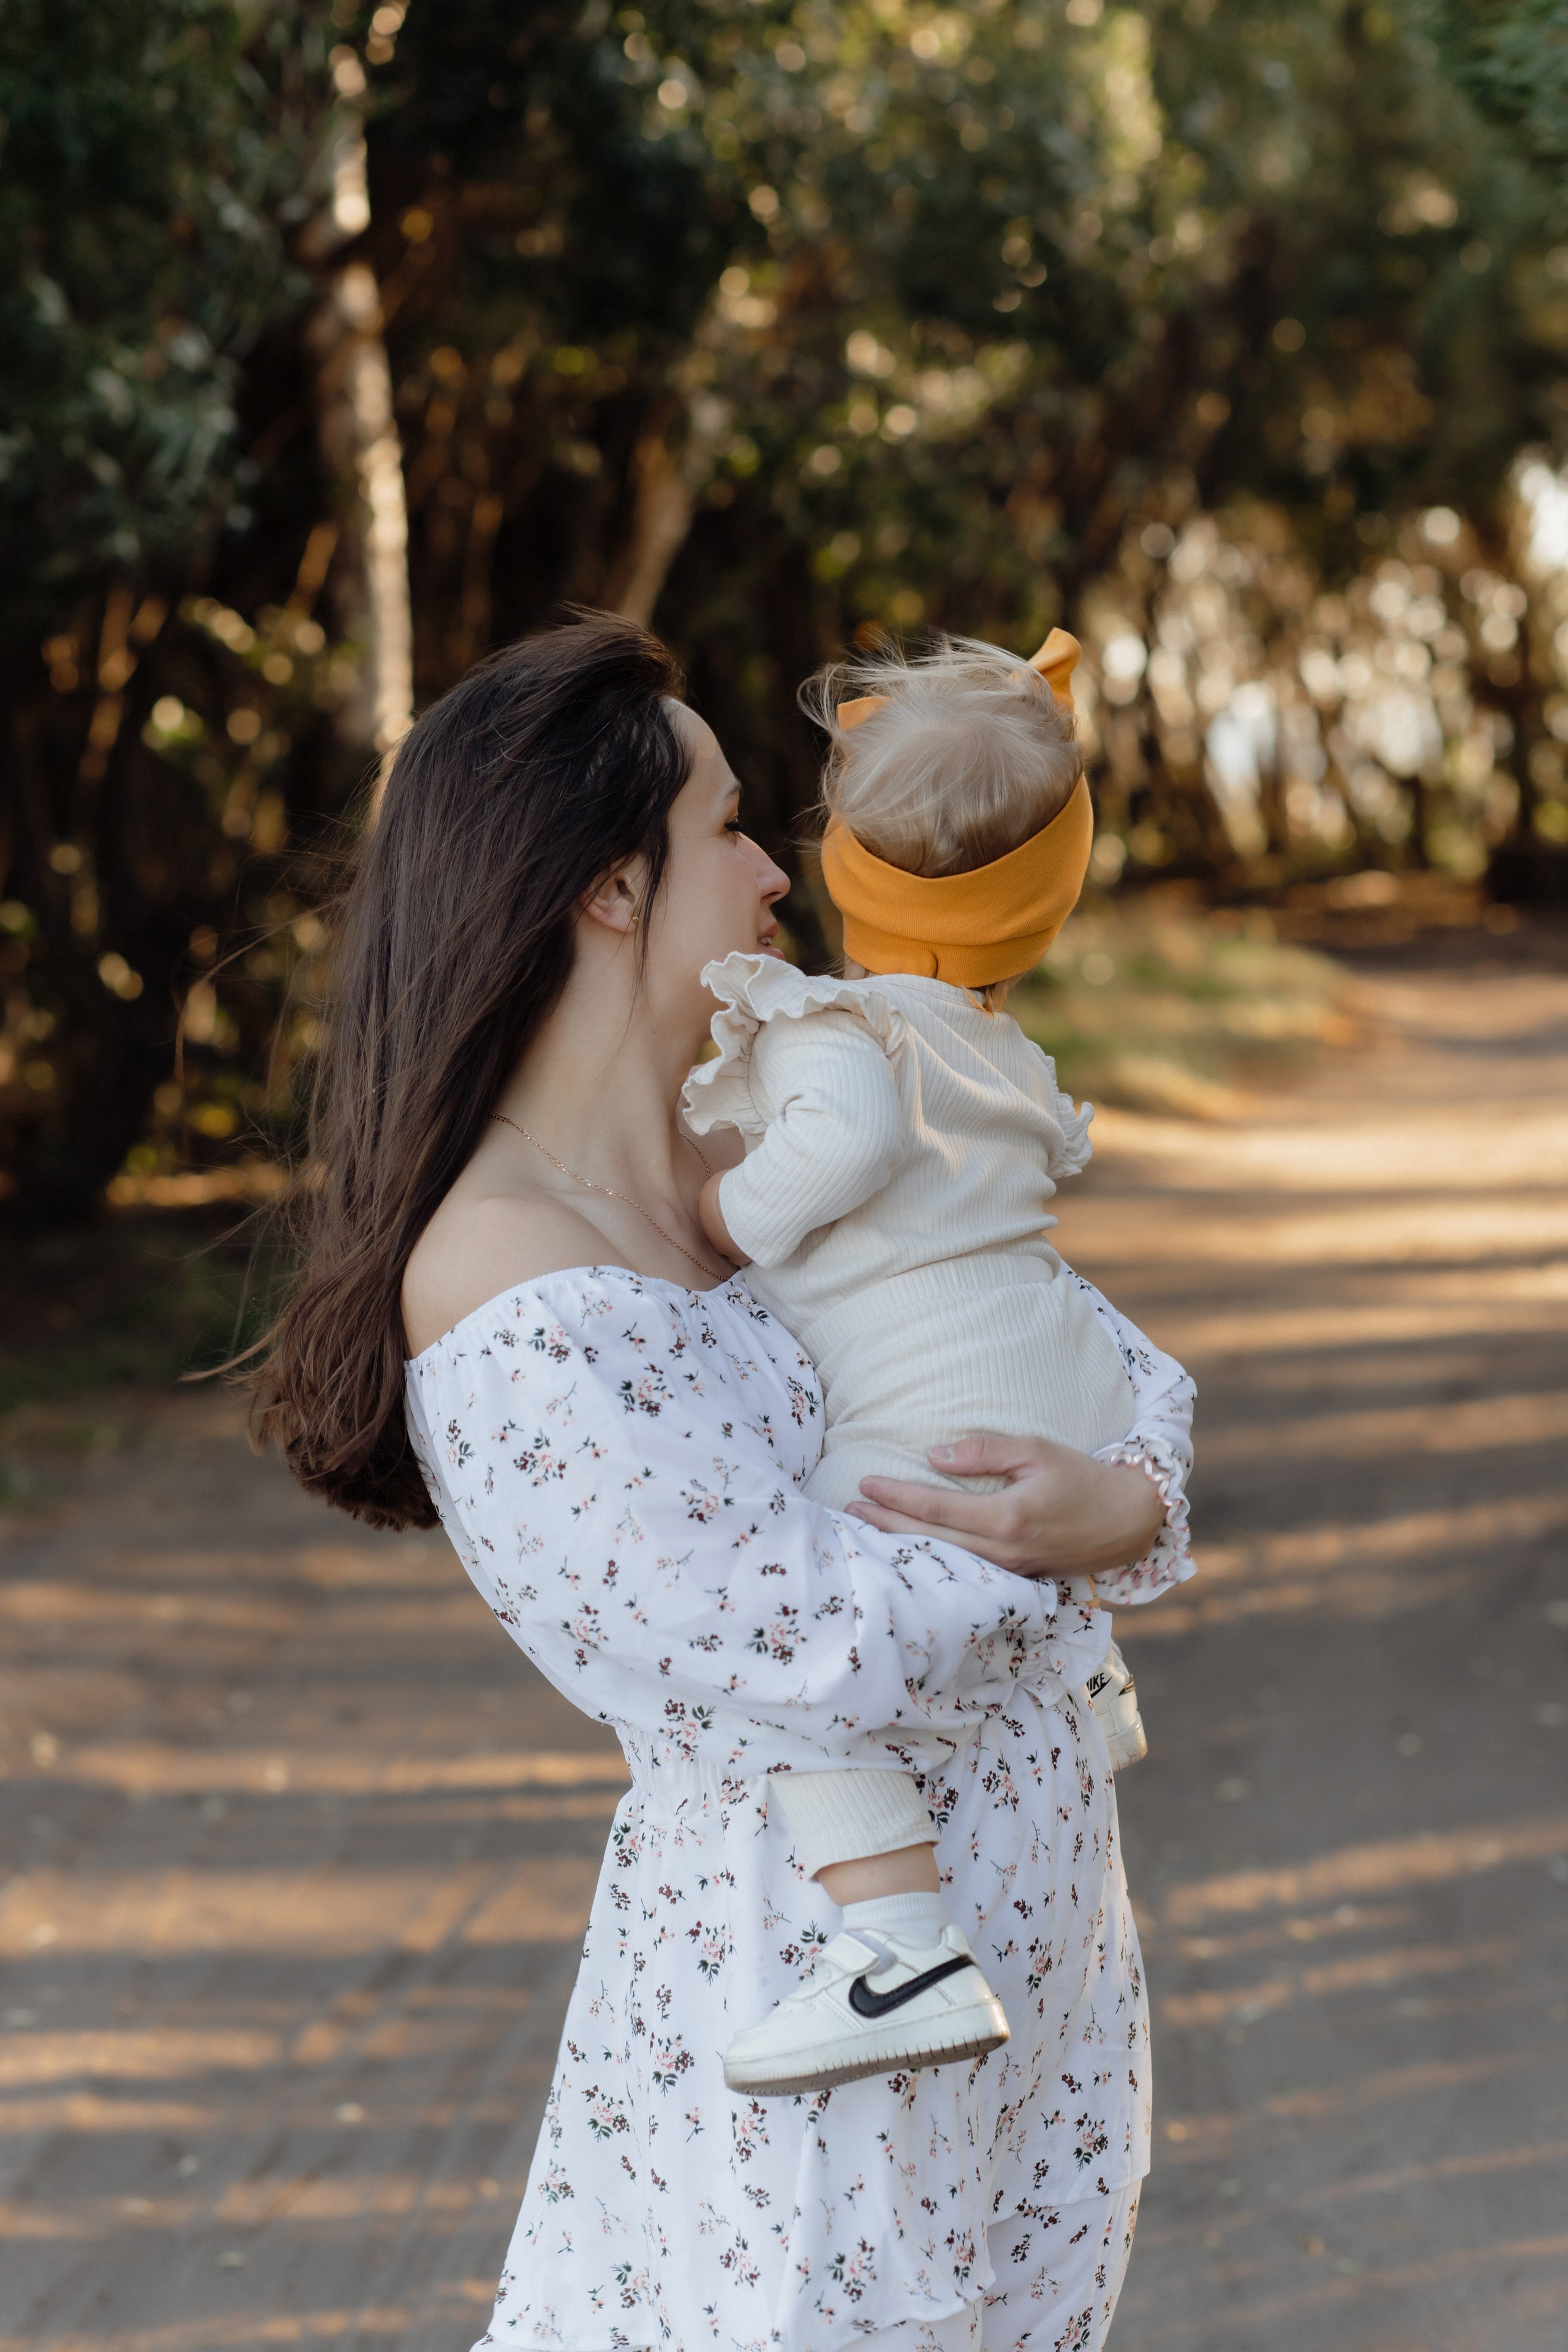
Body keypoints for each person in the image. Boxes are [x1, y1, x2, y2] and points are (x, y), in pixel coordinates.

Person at [255, 614, 1196, 2352]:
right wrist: (1059, 1545)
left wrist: (1130, 1503)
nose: (778, 874)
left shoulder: (764, 1142)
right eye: (732, 827)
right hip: (822, 2008)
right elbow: (800, 1630)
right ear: (611, 888)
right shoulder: (510, 1283)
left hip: (1038, 1963)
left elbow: (1061, 1338)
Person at [688, 629, 1193, 2101]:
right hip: (1057, 1379)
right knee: (993, 1559)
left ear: (839, 862)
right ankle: (1080, 1676)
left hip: (925, 1409)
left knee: (784, 1650)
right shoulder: (998, 1049)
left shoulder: (836, 1027)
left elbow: (841, 1143)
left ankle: (897, 1945)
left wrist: (727, 1216)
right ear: (1047, 897)